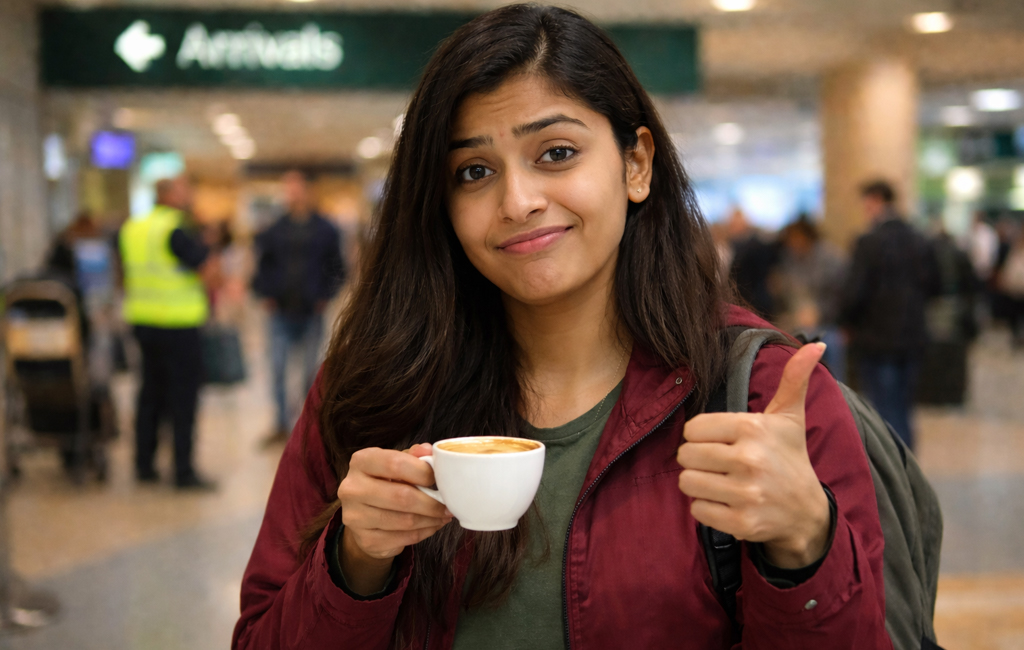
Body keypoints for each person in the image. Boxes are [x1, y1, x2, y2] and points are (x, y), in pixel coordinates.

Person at [233, 6, 889, 649]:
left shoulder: (760, 399)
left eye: (556, 153)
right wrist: (353, 562)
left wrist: (807, 544)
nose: (517, 202)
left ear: (636, 165)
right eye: (475, 172)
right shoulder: (373, 392)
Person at [118, 175, 217, 490]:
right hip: (178, 324)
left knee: (149, 393)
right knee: (183, 398)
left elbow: (122, 273)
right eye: (184, 190)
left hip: (143, 322)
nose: (188, 195)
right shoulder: (175, 228)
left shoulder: (133, 227)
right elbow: (210, 271)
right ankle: (183, 471)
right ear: (169, 194)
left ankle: (144, 465)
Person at [839, 180, 938, 450]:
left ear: (874, 200)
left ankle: (896, 472)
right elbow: (935, 285)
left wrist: (846, 322)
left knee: (884, 408)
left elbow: (855, 291)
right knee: (904, 407)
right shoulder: (920, 239)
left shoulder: (869, 242)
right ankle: (909, 466)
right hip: (913, 336)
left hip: (877, 337)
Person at [252, 171, 346, 446]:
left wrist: (326, 294)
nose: (292, 194)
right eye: (287, 189)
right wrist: (265, 292)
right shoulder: (274, 230)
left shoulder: (326, 229)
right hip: (280, 311)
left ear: (307, 191)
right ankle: (281, 423)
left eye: (296, 188)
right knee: (278, 368)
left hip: (311, 311)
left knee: (310, 371)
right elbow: (263, 266)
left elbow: (338, 267)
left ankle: (307, 428)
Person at [777, 216, 848, 382]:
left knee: (832, 352)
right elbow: (790, 293)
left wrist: (819, 313)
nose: (794, 243)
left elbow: (840, 296)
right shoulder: (790, 259)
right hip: (798, 322)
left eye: (797, 238)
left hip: (828, 323)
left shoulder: (830, 258)